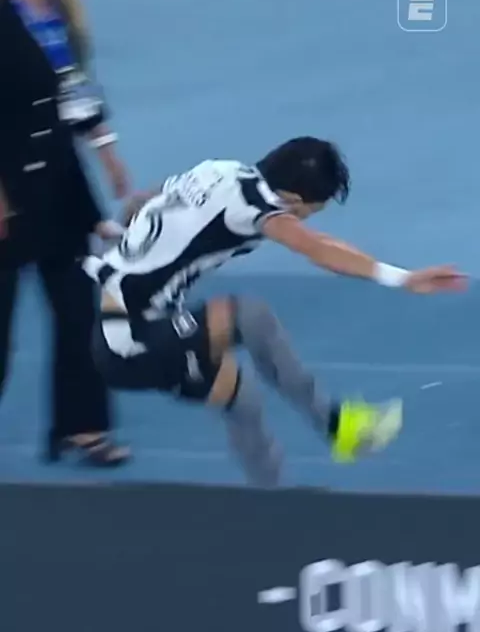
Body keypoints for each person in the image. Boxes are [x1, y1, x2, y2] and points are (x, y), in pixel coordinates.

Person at [84, 137, 466, 486]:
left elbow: (142, 202)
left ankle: (272, 501)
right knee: (252, 317)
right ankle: (337, 427)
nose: (303, 222)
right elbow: (318, 249)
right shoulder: (253, 209)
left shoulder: (217, 170)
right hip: (131, 341)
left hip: (126, 321)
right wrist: (404, 278)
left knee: (241, 399)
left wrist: (118, 238)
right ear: (294, 201)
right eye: (309, 213)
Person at [0, 0, 131, 465]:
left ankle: (82, 430)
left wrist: (109, 158)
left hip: (60, 187)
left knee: (81, 313)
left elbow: (77, 96)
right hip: (7, 188)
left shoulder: (59, 15)